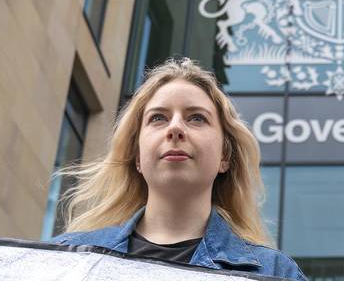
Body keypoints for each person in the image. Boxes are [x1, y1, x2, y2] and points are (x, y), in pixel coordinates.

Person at [51, 58, 306, 280]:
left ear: (224, 157)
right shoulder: (65, 260)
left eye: (196, 118)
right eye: (158, 118)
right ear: (137, 156)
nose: (175, 128)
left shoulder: (274, 273)